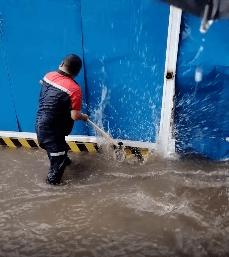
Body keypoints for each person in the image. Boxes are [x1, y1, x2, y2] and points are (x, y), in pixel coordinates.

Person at [35, 54, 88, 185]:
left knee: (62, 155)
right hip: (52, 134)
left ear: (62, 64)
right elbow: (74, 116)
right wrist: (83, 117)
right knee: (56, 172)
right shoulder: (74, 89)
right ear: (77, 73)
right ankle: (51, 195)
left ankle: (63, 159)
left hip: (41, 126)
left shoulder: (48, 76)